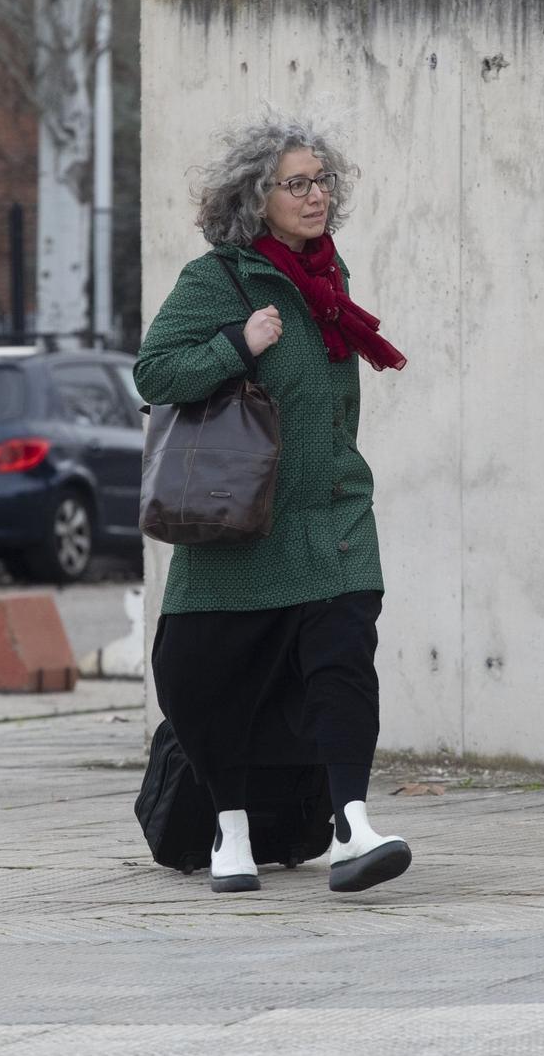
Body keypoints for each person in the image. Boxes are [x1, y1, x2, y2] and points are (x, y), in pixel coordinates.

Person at [135, 114, 410, 895]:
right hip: (241, 521)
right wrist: (236, 345)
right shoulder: (216, 280)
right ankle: (230, 830)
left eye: (323, 180)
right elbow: (153, 373)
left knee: (343, 662)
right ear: (258, 198)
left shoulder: (329, 280)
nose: (317, 195)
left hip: (333, 512)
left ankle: (353, 822)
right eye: (298, 183)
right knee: (203, 675)